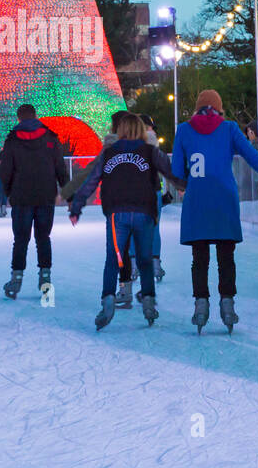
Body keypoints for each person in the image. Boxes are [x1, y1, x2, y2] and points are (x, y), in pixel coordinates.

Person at [171, 89, 258, 334]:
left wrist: (183, 185)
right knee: (226, 257)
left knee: (199, 258)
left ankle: (200, 305)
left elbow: (177, 172)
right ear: (219, 107)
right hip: (225, 200)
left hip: (197, 202)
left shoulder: (183, 130)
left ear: (197, 107)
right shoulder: (229, 129)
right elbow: (255, 159)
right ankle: (228, 305)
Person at [69, 112, 182, 329]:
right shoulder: (150, 152)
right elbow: (170, 173)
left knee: (113, 259)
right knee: (145, 260)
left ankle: (108, 301)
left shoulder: (109, 153)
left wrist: (77, 206)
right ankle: (148, 301)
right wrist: (185, 186)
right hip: (144, 212)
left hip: (117, 213)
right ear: (140, 130)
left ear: (120, 131)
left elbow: (92, 181)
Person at [0, 104, 68, 299]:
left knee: (21, 239)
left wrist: (10, 192)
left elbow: (4, 171)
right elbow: (60, 167)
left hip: (21, 198)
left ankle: (16, 280)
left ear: (19, 118)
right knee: (43, 238)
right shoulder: (51, 138)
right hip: (46, 196)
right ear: (36, 116)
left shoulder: (12, 140)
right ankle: (45, 279)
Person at [140, 113, 171, 282]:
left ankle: (135, 264)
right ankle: (155, 264)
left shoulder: (130, 142)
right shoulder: (154, 143)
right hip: (154, 189)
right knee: (154, 227)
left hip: (137, 191)